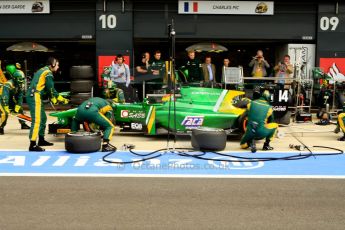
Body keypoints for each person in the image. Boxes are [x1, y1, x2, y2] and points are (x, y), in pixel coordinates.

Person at [26, 57, 69, 151]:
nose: (58, 67)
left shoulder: (42, 70)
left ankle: (41, 139)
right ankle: (32, 144)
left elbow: (45, 88)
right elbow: (51, 89)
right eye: (57, 65)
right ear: (52, 65)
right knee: (37, 120)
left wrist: (54, 97)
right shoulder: (48, 73)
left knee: (43, 118)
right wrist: (61, 99)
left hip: (34, 95)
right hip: (35, 96)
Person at [0, 65, 29, 134]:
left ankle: (23, 124)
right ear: (14, 78)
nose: (21, 81)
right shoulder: (8, 85)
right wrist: (6, 107)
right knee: (5, 113)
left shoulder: (20, 85)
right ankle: (1, 127)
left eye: (22, 79)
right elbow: (5, 97)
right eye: (20, 79)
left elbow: (20, 96)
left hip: (10, 100)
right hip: (2, 100)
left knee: (20, 109)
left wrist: (18, 105)